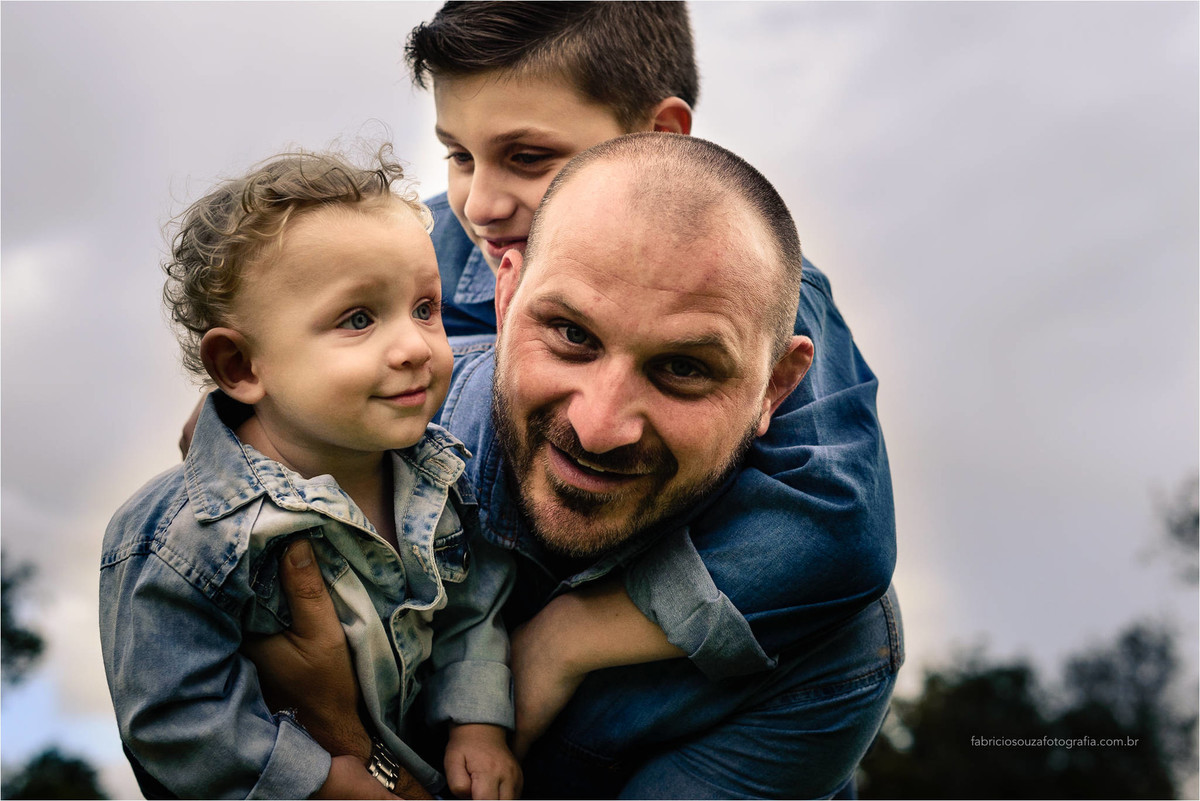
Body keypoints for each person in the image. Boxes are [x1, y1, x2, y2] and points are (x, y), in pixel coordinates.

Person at [258, 133, 904, 799]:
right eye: (571, 334)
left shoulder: (830, 656)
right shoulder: (336, 462)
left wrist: (339, 736)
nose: (598, 428)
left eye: (683, 368)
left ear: (776, 386)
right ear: (505, 301)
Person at [100, 149, 522, 800]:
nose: (414, 346)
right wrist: (317, 779)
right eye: (358, 319)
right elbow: (175, 719)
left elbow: (473, 603)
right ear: (239, 365)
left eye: (424, 308)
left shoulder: (437, 471)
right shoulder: (181, 537)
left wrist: (477, 721)